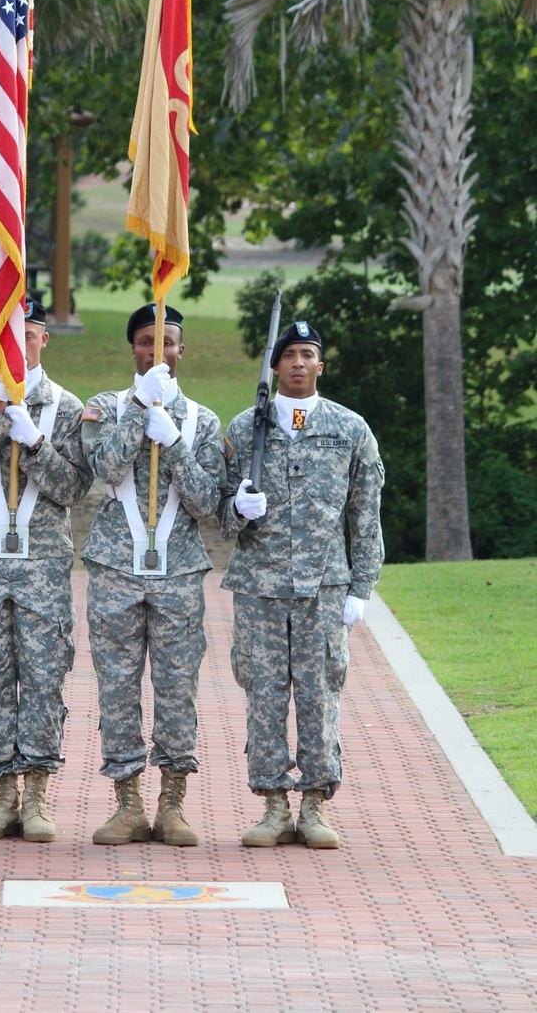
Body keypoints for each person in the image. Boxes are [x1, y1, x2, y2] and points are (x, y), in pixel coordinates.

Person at [221, 319, 385, 850]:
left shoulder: (349, 428)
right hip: (260, 588)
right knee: (264, 695)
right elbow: (218, 513)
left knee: (319, 694)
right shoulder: (247, 428)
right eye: (288, 353)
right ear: (275, 365)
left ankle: (314, 804)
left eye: (307, 353)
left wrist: (362, 586)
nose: (297, 362)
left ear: (321, 365)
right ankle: (272, 805)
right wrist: (237, 509)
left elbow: (364, 512)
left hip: (323, 587)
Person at [0, 298, 91, 843]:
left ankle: (37, 796)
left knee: (43, 675)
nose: (16, 346)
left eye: (26, 335)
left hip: (42, 565)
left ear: (43, 340)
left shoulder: (68, 408)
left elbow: (74, 488)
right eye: (5, 335)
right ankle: (1, 793)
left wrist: (33, 440)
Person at [80, 303, 225, 847]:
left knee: (177, 689)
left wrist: (176, 442)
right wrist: (140, 412)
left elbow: (207, 500)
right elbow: (103, 470)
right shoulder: (105, 407)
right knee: (117, 690)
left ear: (180, 351)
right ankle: (127, 805)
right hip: (116, 571)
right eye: (145, 341)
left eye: (166, 342)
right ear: (133, 349)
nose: (155, 351)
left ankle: (172, 804)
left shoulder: (203, 422)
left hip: (179, 574)